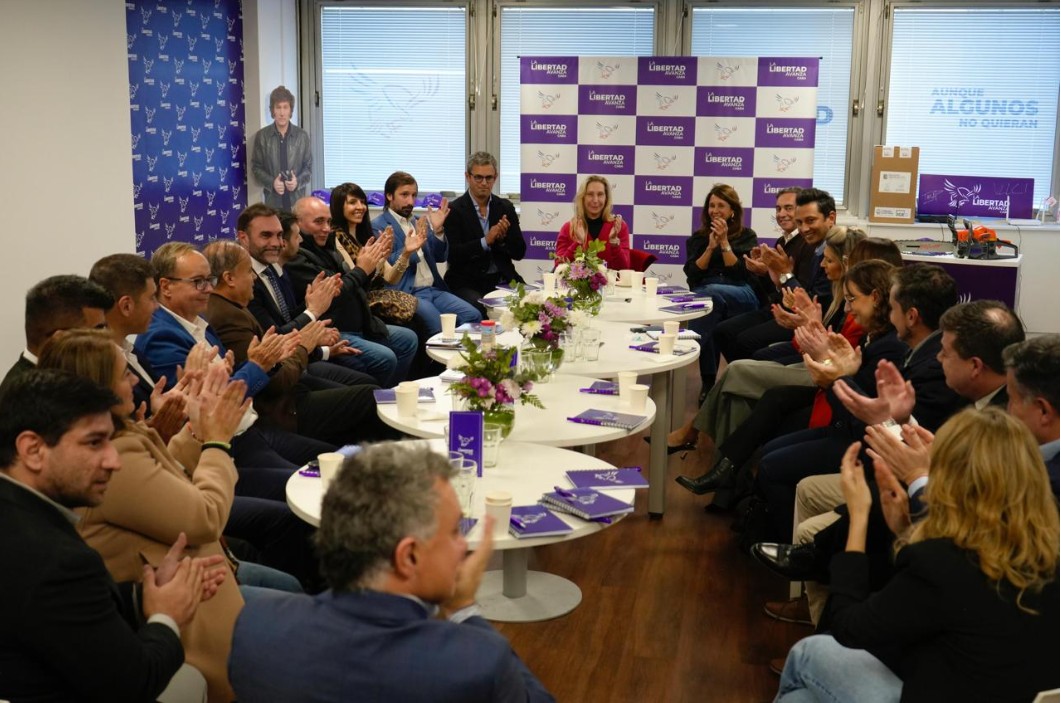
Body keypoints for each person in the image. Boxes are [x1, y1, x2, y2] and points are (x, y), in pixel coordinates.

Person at [229, 443, 556, 702]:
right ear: (408, 556)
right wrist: (464, 609)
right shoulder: (478, 662)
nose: (463, 546)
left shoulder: (253, 626)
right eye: (455, 531)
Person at [776, 408, 1059, 702]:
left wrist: (859, 516)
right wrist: (904, 530)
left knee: (807, 653)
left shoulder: (945, 562)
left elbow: (849, 629)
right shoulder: (1048, 547)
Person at [38, 329, 250, 702]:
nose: (135, 380)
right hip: (190, 629)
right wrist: (218, 442)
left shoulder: (119, 435)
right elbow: (205, 517)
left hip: (202, 589)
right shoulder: (111, 457)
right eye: (124, 374)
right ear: (98, 387)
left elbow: (170, 477)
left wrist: (196, 429)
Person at [0, 369, 224, 702]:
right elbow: (134, 683)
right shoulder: (58, 561)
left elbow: (56, 612)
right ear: (32, 450)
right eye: (94, 442)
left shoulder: (20, 513)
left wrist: (141, 596)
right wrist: (167, 616)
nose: (113, 461)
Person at [135, 242, 335, 498]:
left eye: (210, 279)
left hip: (251, 430)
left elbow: (228, 380)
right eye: (198, 282)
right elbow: (213, 404)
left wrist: (265, 361)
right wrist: (259, 364)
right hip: (227, 448)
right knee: (317, 487)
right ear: (165, 286)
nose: (209, 289)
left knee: (335, 461)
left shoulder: (195, 321)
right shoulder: (161, 337)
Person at [203, 239, 394, 447]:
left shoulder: (236, 303)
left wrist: (315, 344)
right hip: (281, 406)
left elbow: (280, 340)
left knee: (369, 389)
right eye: (249, 272)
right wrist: (305, 344)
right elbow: (273, 380)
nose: (255, 278)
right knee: (370, 396)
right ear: (229, 278)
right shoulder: (228, 316)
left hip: (293, 381)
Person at [236, 203, 377, 387]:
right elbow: (274, 337)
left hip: (303, 357)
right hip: (278, 377)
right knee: (370, 386)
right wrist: (312, 312)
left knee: (368, 383)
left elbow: (287, 320)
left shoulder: (272, 269)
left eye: (279, 235)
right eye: (265, 235)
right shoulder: (245, 281)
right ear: (243, 237)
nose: (276, 243)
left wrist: (311, 305)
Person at [287, 195, 418, 386]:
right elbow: (335, 294)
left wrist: (370, 267)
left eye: (328, 221)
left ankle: (389, 394)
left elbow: (362, 284)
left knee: (409, 338)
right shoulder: (298, 256)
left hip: (360, 319)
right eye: (318, 222)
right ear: (297, 225)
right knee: (386, 357)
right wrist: (362, 269)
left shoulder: (330, 243)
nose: (326, 228)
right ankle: (375, 400)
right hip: (335, 327)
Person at [715, 187, 836, 365]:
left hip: (807, 318)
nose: (804, 228)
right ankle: (742, 378)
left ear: (830, 218)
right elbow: (779, 291)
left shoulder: (822, 248)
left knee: (746, 342)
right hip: (782, 307)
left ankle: (747, 378)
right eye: (778, 209)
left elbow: (809, 300)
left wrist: (784, 274)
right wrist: (767, 273)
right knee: (722, 331)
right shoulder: (785, 241)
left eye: (788, 208)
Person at [372, 170, 482, 336]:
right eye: (404, 195)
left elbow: (440, 256)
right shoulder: (378, 226)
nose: (410, 201)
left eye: (414, 195)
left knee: (473, 316)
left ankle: (462, 360)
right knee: (438, 328)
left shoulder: (418, 221)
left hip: (433, 289)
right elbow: (386, 269)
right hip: (408, 292)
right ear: (389, 195)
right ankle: (441, 362)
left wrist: (437, 231)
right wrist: (409, 250)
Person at [684, 184, 759, 398]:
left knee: (708, 296)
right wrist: (710, 246)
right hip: (709, 293)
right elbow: (692, 274)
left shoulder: (747, 236)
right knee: (709, 305)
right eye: (711, 205)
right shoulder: (699, 238)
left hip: (741, 292)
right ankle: (708, 384)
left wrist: (724, 242)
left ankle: (689, 344)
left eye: (721, 205)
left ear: (732, 210)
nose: (715, 210)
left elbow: (741, 273)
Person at [0, 274, 113, 398]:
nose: (107, 340)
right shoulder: (27, 399)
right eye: (98, 330)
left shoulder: (62, 380)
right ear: (61, 339)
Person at [443, 151, 527, 316]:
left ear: (495, 178)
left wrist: (502, 240)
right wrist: (485, 241)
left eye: (489, 178)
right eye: (478, 177)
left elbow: (520, 252)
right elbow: (453, 254)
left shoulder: (505, 207)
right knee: (479, 308)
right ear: (468, 177)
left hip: (502, 277)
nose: (484, 183)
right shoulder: (454, 210)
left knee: (531, 302)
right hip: (466, 281)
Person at [251, 85, 311, 210]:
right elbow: (256, 168)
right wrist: (272, 183)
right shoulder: (262, 136)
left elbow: (308, 168)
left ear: (290, 110)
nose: (282, 113)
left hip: (297, 203)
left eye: (285, 107)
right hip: (273, 203)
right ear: (273, 110)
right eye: (278, 107)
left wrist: (297, 182)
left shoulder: (302, 136)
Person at [555, 175, 630, 271]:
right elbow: (559, 269)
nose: (595, 200)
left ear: (606, 198)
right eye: (590, 194)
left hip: (612, 286)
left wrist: (614, 244)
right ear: (582, 197)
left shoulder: (618, 227)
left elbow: (625, 270)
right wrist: (579, 243)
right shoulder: (569, 228)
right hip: (577, 286)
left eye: (600, 194)